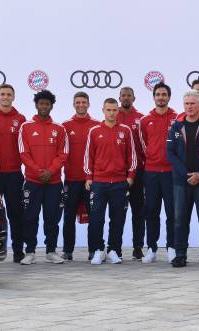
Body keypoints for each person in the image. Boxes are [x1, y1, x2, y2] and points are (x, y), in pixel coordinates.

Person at [18, 90, 69, 265]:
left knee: (52, 218)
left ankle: (51, 251)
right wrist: (40, 172)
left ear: (51, 106)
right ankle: (30, 251)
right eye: (41, 104)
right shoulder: (26, 127)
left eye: (47, 104)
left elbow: (63, 154)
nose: (44, 107)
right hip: (33, 181)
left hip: (54, 182)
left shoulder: (59, 128)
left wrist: (51, 171)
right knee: (30, 217)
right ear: (36, 105)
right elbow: (24, 154)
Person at [84, 98, 137, 265]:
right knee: (96, 219)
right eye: (109, 110)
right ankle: (98, 250)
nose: (112, 113)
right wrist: (88, 177)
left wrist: (130, 177)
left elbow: (132, 156)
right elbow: (88, 157)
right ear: (103, 110)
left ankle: (114, 250)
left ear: (118, 111)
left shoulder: (126, 130)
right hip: (99, 183)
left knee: (118, 218)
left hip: (120, 183)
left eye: (115, 110)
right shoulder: (94, 131)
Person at [167, 90, 199, 267]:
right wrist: (186, 173)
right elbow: (170, 153)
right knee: (180, 219)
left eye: (193, 103)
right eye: (186, 104)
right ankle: (180, 254)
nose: (189, 107)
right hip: (181, 181)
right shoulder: (176, 127)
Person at [0, 84, 27, 263]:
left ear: (13, 97)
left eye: (9, 94)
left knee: (16, 214)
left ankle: (18, 251)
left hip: (15, 174)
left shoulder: (21, 118)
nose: (5, 97)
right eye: (2, 94)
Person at [139, 82, 178, 263]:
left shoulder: (177, 119)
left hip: (171, 173)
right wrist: (153, 159)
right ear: (153, 97)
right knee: (151, 211)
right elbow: (142, 146)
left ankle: (172, 247)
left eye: (164, 94)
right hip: (151, 173)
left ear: (169, 97)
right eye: (158, 94)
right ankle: (152, 248)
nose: (161, 97)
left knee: (172, 212)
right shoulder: (145, 121)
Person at [61, 92, 99, 261]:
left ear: (89, 104)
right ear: (73, 104)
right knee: (68, 216)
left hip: (92, 180)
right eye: (78, 102)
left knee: (95, 216)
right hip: (72, 179)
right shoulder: (65, 126)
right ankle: (68, 250)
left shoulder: (97, 125)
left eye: (84, 102)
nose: (81, 105)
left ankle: (94, 250)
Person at [117, 86, 146, 260]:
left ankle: (138, 247)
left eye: (129, 95)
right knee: (118, 212)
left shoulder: (140, 118)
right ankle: (116, 248)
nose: (126, 98)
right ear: (119, 98)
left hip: (139, 172)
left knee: (138, 211)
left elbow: (145, 146)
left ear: (134, 98)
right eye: (123, 95)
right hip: (118, 173)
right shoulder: (112, 116)